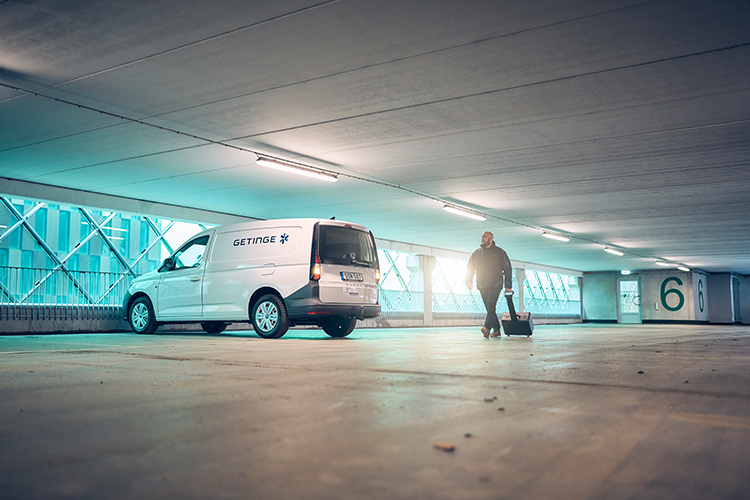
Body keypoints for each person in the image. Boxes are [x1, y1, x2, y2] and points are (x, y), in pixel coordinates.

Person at [465, 231, 513, 338]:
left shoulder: (500, 253)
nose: (482, 239)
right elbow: (470, 267)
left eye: (485, 237)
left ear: (491, 238)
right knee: (489, 309)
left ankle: (486, 327)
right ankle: (496, 330)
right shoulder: (476, 253)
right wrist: (469, 280)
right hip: (482, 284)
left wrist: (508, 286)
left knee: (491, 306)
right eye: (482, 237)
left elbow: (507, 269)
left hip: (495, 284)